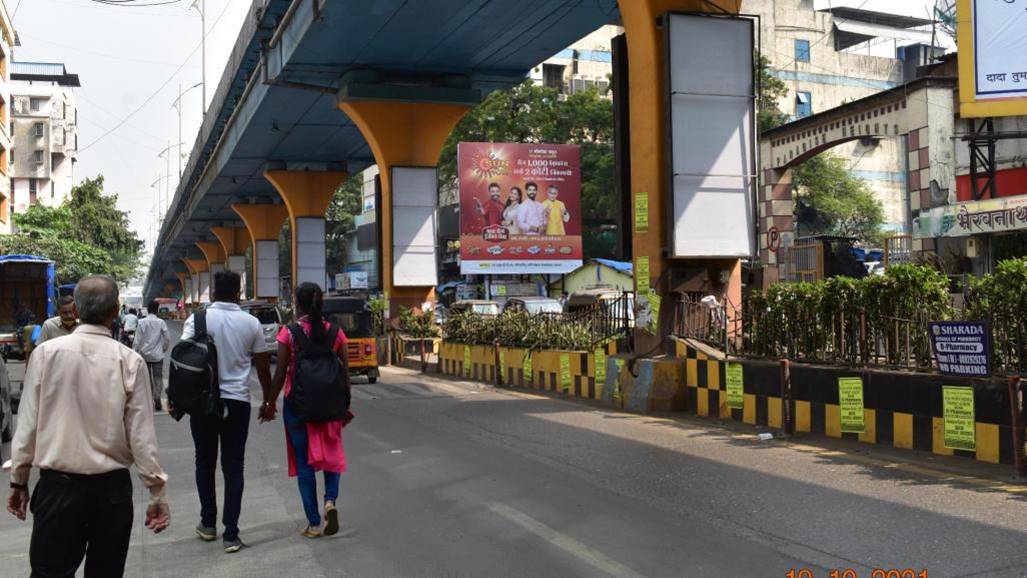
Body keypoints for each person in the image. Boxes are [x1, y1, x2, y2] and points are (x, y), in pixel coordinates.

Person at [6, 275, 170, 577]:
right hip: (112, 494)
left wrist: (19, 480)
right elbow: (142, 437)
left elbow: (26, 425)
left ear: (77, 311)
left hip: (57, 489)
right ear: (115, 311)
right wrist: (156, 493)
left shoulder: (45, 355)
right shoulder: (130, 362)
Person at [179, 270, 272, 553]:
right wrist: (269, 401)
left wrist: (178, 399)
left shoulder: (196, 320)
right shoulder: (251, 322)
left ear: (213, 292)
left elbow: (183, 358)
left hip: (203, 402)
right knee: (234, 467)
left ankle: (208, 524)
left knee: (204, 462)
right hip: (237, 402)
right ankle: (231, 534)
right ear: (239, 292)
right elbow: (263, 366)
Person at [263, 282, 349, 538]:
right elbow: (345, 372)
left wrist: (269, 403)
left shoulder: (288, 333)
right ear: (321, 302)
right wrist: (345, 406)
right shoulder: (336, 332)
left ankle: (313, 523)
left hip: (298, 406)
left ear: (297, 303)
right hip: (332, 405)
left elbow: (279, 374)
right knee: (332, 454)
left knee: (304, 464)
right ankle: (330, 501)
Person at [134, 300, 171, 412]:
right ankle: (157, 398)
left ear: (148, 309)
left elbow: (137, 340)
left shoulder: (141, 322)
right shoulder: (161, 322)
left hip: (144, 355)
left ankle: (150, 399)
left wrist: (134, 353)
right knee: (158, 378)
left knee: (147, 378)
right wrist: (162, 349)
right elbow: (167, 338)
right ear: (157, 310)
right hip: (157, 356)